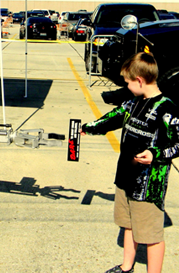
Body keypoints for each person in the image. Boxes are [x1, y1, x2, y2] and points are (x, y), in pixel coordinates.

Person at [80, 52, 179, 273]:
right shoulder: (134, 102)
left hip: (148, 185)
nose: (126, 86)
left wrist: (156, 153)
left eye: (128, 82)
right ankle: (126, 267)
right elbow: (114, 117)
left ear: (140, 81)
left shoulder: (167, 108)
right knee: (127, 223)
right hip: (125, 176)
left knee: (151, 235)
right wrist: (88, 128)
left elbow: (178, 143)